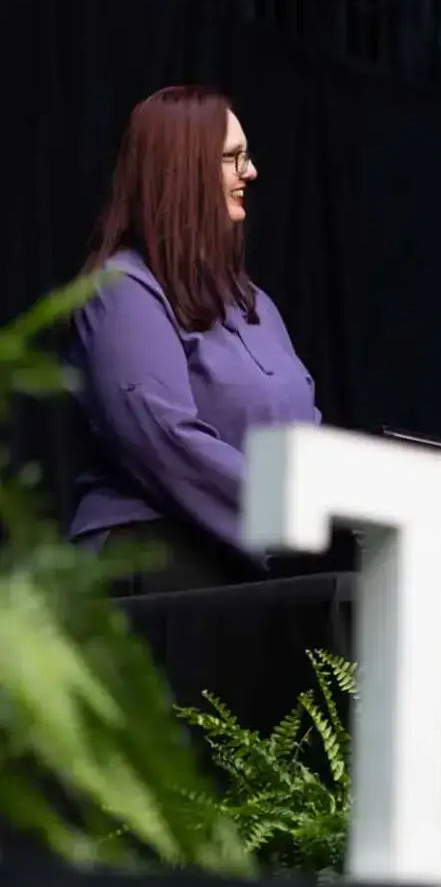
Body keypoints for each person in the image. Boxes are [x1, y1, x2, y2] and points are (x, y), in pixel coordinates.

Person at [67, 86, 321, 591]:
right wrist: (290, 510)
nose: (251, 172)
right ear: (183, 171)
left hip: (254, 562)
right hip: (153, 560)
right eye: (233, 158)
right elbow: (165, 440)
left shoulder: (257, 305)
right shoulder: (121, 290)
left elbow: (305, 435)